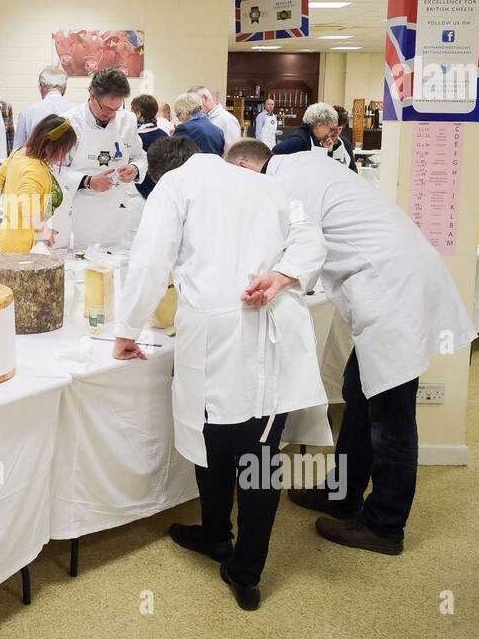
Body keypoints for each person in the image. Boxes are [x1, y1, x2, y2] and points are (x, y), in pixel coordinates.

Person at [226, 139, 478, 555]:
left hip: (391, 288)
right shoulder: (297, 166)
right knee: (358, 394)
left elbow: (295, 247)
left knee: (391, 415)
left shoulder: (285, 184)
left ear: (246, 169)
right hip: (393, 278)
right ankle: (342, 493)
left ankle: (385, 525)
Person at [114, 135, 328, 610]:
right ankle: (243, 567)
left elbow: (151, 260)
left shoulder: (175, 184)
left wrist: (127, 328)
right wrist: (283, 274)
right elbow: (312, 238)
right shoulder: (266, 185)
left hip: (214, 330)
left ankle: (219, 537)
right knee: (260, 449)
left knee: (209, 435)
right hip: (269, 322)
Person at [58, 69, 146, 251]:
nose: (112, 114)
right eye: (107, 109)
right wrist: (87, 181)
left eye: (117, 108)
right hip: (82, 216)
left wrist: (135, 168)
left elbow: (140, 156)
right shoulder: (70, 122)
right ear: (92, 96)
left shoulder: (127, 121)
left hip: (117, 215)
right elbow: (54, 170)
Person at [0, 115, 78, 253]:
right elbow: (27, 199)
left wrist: (14, 209)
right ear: (51, 146)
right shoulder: (35, 169)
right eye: (64, 151)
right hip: (17, 247)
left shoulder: (17, 153)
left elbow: (0, 177)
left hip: (5, 235)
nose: (63, 157)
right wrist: (43, 229)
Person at [14, 66, 71, 149]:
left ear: (40, 87)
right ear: (65, 88)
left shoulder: (27, 113)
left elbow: (17, 152)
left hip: (34, 161)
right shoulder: (78, 112)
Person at [131, 95, 166, 198]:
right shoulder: (164, 135)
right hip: (160, 190)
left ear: (138, 114)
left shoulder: (136, 138)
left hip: (139, 193)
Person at [273, 101, 338, 157]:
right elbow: (274, 152)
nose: (329, 133)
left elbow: (321, 164)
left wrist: (327, 150)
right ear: (319, 125)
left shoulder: (316, 139)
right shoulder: (299, 140)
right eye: (330, 129)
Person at [171, 91, 226, 155]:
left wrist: (172, 138)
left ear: (187, 112)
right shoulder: (218, 131)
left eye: (178, 115)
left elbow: (172, 154)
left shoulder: (184, 129)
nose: (179, 119)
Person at [329, 106, 358, 173]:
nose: (337, 132)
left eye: (340, 129)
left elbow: (353, 168)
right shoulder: (318, 142)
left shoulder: (345, 142)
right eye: (334, 129)